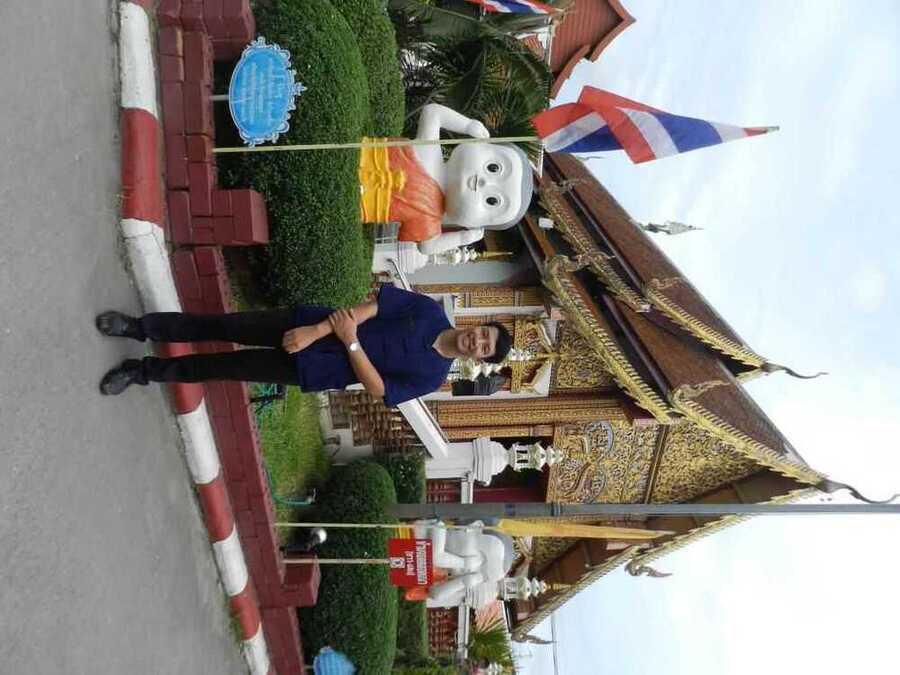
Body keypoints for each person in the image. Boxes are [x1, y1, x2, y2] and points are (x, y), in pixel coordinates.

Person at [97, 284, 511, 407]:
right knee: (221, 326)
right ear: (478, 326)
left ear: (480, 358)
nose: (477, 341)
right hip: (306, 326)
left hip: (315, 369)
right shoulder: (428, 312)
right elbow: (367, 310)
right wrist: (315, 331)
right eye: (483, 334)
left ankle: (142, 372)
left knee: (225, 367)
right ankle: (139, 328)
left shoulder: (432, 376)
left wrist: (351, 345)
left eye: (484, 348)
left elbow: (380, 389)